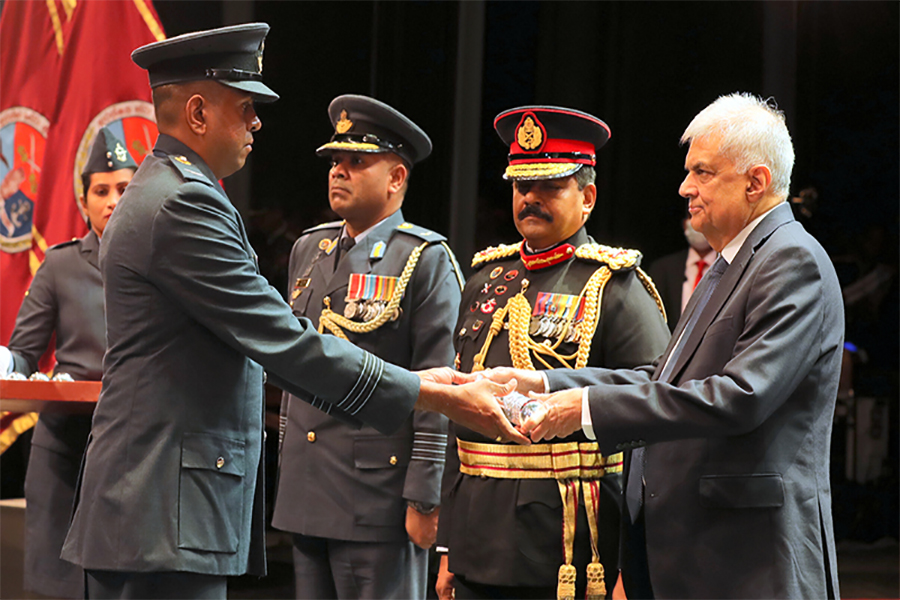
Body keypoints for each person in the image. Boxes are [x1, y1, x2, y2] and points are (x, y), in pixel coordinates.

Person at [58, 23, 525, 600]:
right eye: (246, 106)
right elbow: (285, 343)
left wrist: (417, 385)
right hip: (160, 511)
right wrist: (432, 394)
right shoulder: (185, 203)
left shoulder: (169, 190)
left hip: (156, 505)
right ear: (199, 112)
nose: (256, 123)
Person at [480, 93, 844, 599]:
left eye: (702, 172)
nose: (684, 187)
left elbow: (740, 396)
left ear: (755, 182)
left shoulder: (790, 262)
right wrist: (543, 382)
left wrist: (582, 410)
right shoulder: (731, 262)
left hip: (749, 560)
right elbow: (661, 377)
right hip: (699, 554)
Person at [435, 106, 670, 600]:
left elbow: (654, 408)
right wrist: (447, 545)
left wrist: (635, 560)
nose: (530, 198)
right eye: (522, 186)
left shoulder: (616, 285)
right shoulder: (483, 279)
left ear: (587, 197)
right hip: (479, 536)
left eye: (550, 187)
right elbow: (458, 417)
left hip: (571, 548)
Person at [271, 94, 464, 599]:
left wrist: (425, 497)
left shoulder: (424, 259)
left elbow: (438, 385)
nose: (339, 172)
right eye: (336, 161)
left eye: (357, 161)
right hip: (307, 488)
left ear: (396, 177)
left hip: (376, 495)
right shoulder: (309, 248)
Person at [0, 126, 136, 599]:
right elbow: (23, 352)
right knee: (60, 590)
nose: (112, 200)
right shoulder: (60, 266)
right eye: (101, 190)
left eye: (123, 188)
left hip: (133, 451)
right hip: (65, 453)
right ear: (84, 201)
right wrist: (6, 361)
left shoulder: (161, 261)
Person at [647, 216, 716, 331]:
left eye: (704, 213)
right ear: (685, 224)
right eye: (693, 214)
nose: (699, 222)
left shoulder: (732, 267)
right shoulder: (662, 269)